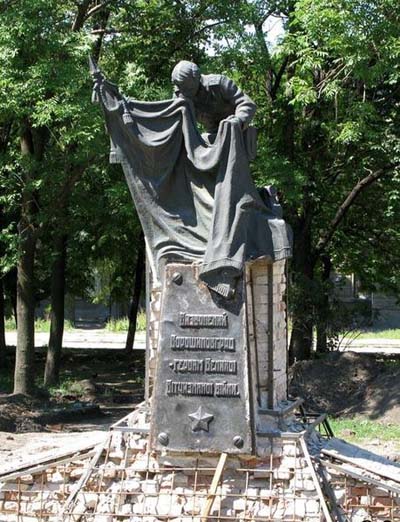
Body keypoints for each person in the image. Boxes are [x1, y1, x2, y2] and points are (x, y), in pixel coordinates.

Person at [171, 60, 256, 134]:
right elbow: (175, 122)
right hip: (212, 134)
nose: (185, 92)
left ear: (197, 78)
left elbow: (246, 103)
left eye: (189, 88)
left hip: (237, 131)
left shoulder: (219, 84)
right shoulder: (179, 95)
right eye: (180, 87)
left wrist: (239, 120)